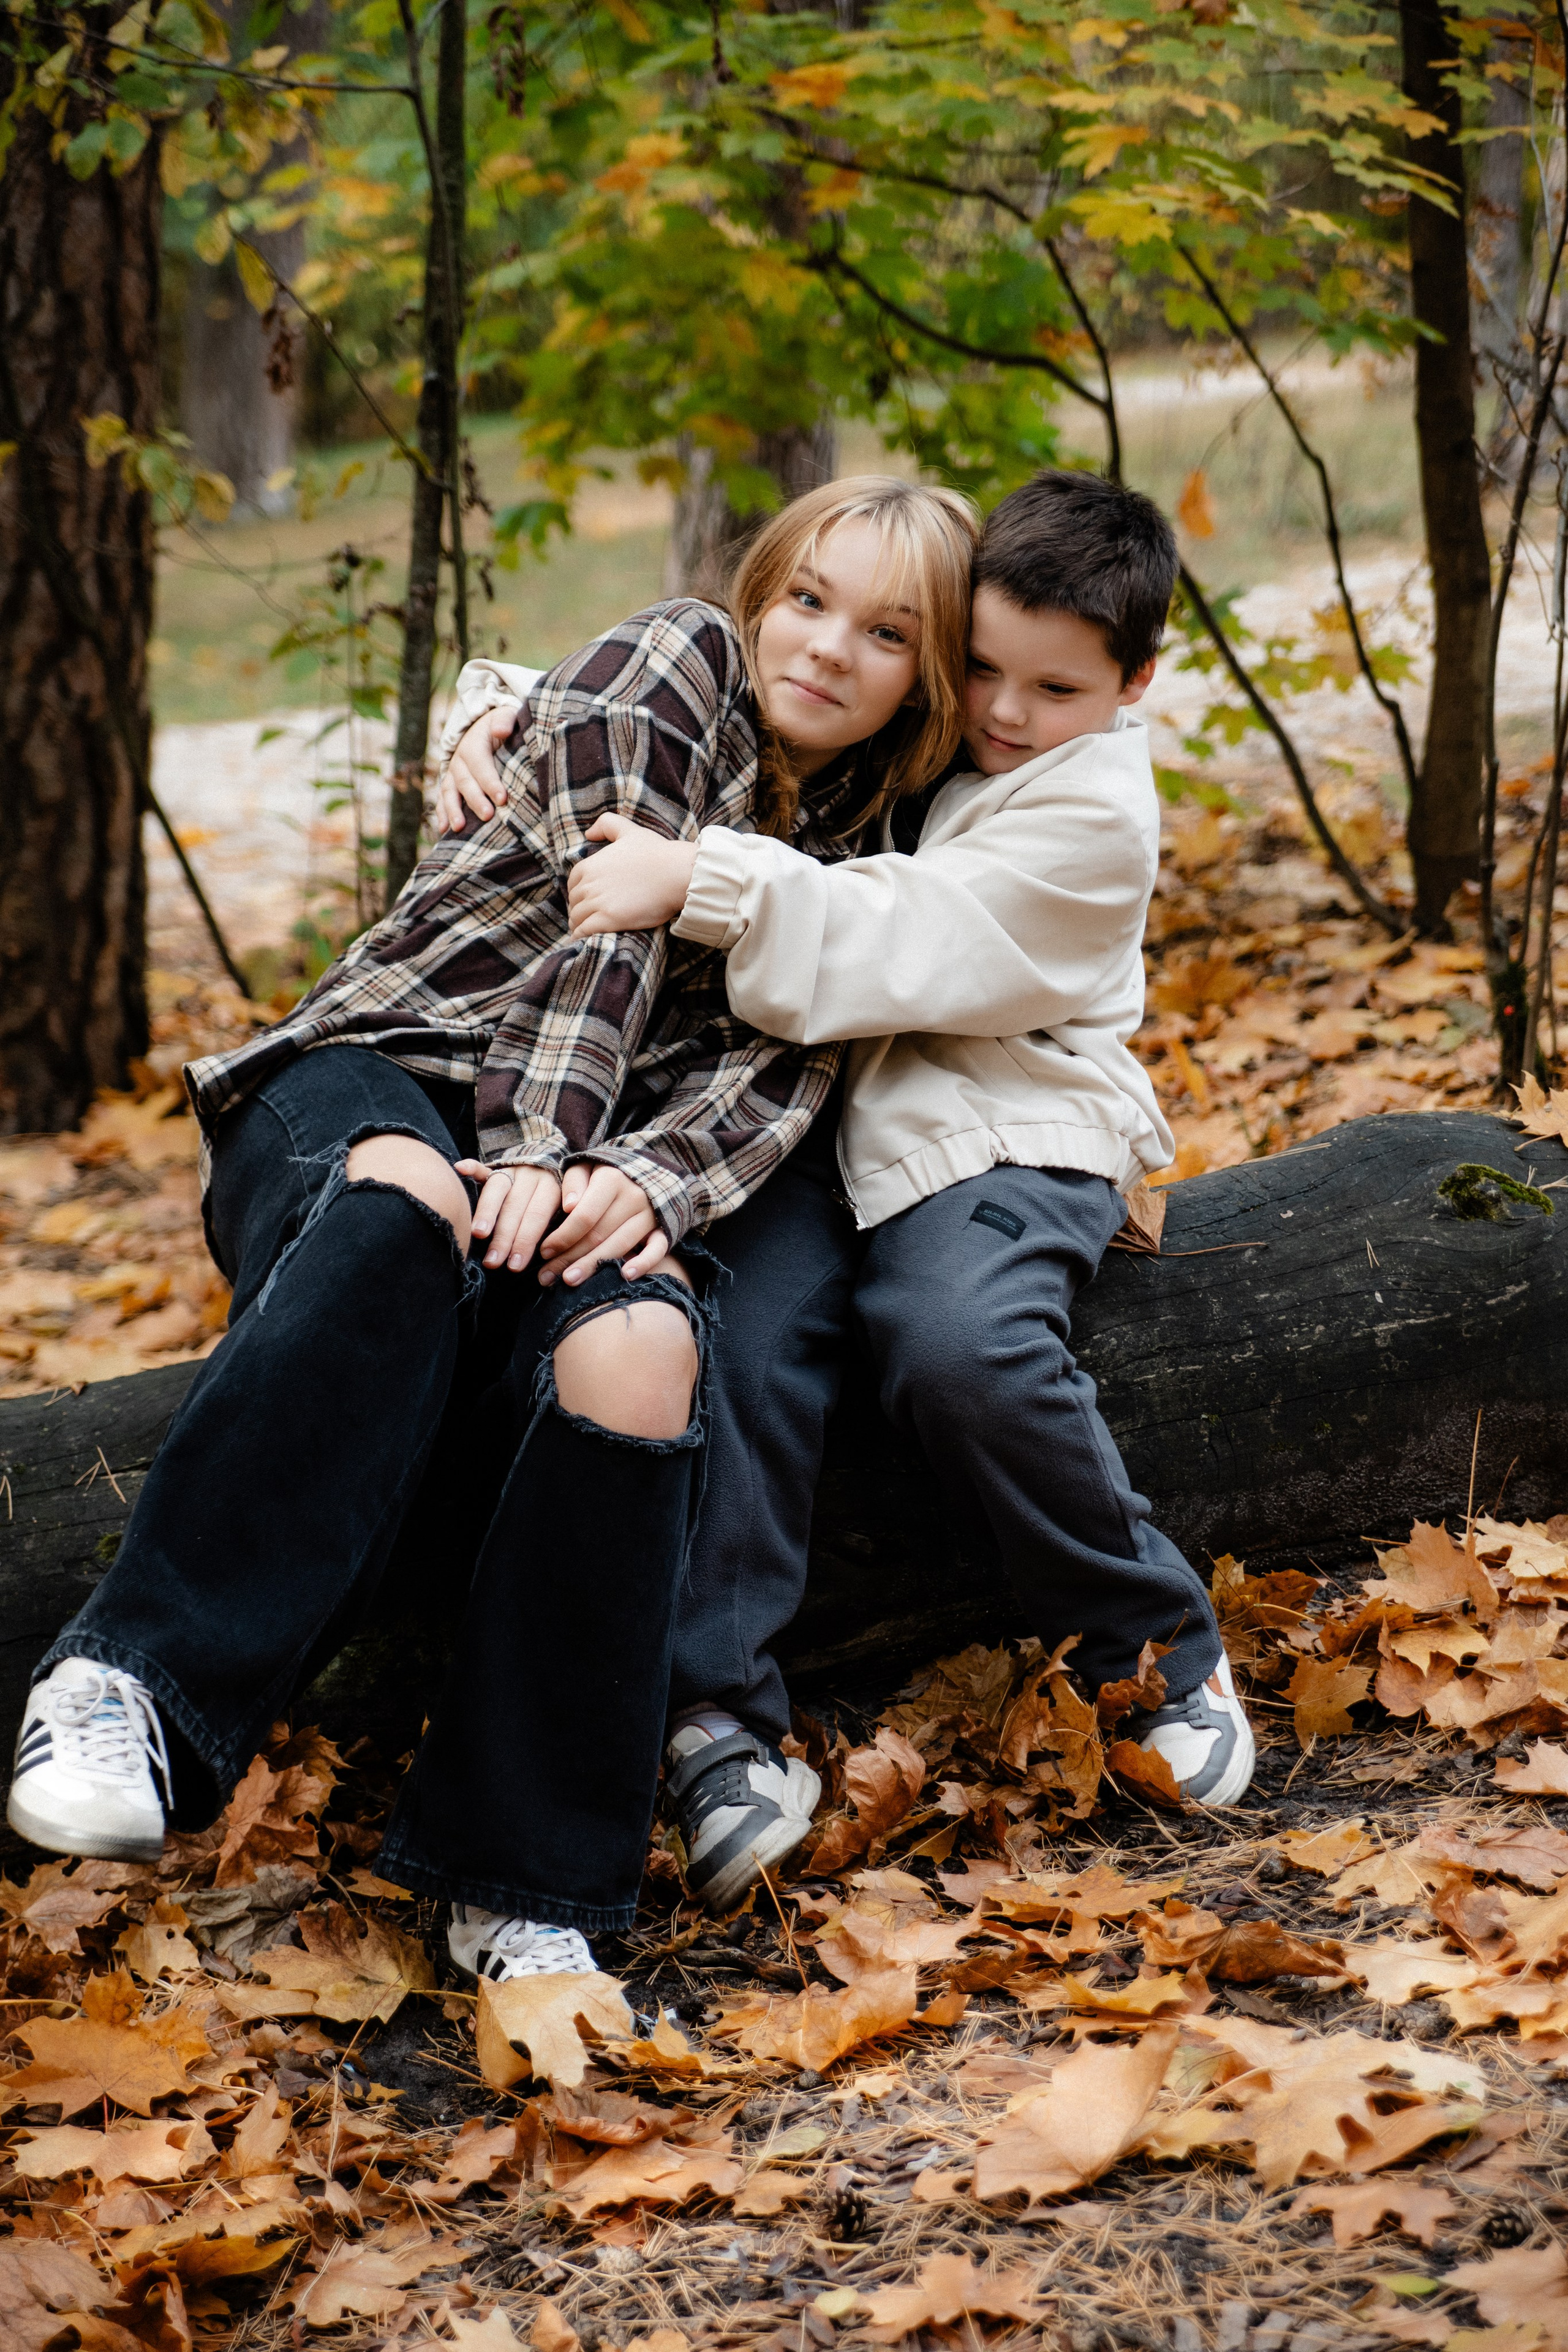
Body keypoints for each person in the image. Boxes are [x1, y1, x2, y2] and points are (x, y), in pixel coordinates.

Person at [8, 477, 979, 1981]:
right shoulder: (675, 664)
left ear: (925, 677)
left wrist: (643, 1184)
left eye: (887, 633)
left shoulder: (880, 845)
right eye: (808, 600)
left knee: (647, 1348)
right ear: (759, 590)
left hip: (580, 1153)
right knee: (403, 1199)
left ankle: (521, 1882)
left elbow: (788, 1070)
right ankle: (125, 1683)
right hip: (378, 1079)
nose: (830, 648)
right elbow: (608, 933)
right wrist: (533, 1151)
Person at [562, 469, 1256, 1910]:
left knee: (955, 1343)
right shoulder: (959, 731)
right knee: (738, 1345)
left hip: (1000, 1132)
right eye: (981, 668)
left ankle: (1156, 1652)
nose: (1002, 713)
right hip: (824, 1130)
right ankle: (720, 1730)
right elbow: (703, 704)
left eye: (1051, 688)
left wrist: (702, 879)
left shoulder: (1092, 811)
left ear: (1135, 682)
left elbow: (916, 925)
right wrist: (493, 715)